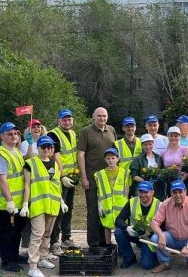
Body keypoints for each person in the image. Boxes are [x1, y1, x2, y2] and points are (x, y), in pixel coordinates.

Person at [20, 136, 66, 277]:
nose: (47, 149)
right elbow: (27, 185)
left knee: (47, 234)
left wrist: (61, 201)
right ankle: (33, 265)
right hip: (38, 205)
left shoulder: (55, 164)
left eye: (49, 147)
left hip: (52, 204)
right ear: (38, 148)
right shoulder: (30, 163)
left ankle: (43, 257)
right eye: (43, 147)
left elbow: (56, 184)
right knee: (37, 235)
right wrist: (25, 204)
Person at [78, 107, 118, 247]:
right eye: (99, 116)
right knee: (93, 211)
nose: (102, 118)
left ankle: (104, 241)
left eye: (104, 116)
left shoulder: (111, 130)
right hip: (92, 178)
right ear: (93, 117)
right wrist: (84, 177)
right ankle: (93, 243)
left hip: (108, 179)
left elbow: (115, 153)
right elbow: (81, 155)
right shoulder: (86, 132)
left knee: (106, 209)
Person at [0, 122, 27, 272]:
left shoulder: (16, 151)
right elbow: (2, 179)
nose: (14, 136)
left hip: (18, 201)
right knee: (7, 232)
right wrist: (9, 201)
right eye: (10, 134)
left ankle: (14, 255)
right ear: (2, 136)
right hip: (6, 203)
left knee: (17, 231)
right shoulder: (1, 155)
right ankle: (7, 261)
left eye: (16, 133)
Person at [150, 179, 188, 273]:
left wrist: (187, 246)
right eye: (174, 192)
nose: (178, 195)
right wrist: (161, 235)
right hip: (172, 237)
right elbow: (154, 223)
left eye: (180, 192)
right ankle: (165, 263)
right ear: (171, 193)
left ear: (185, 191)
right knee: (155, 238)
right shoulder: (165, 204)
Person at [48, 109, 78, 252]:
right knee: (59, 210)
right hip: (60, 178)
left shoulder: (72, 133)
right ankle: (54, 242)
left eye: (69, 119)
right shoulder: (53, 134)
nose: (67, 122)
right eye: (64, 120)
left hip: (71, 177)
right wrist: (62, 176)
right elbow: (55, 156)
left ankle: (66, 238)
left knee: (69, 208)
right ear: (59, 121)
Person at [114, 181, 160, 269]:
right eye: (140, 192)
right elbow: (118, 220)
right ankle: (129, 258)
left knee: (147, 265)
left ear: (152, 192)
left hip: (149, 238)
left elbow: (164, 228)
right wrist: (127, 227)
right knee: (119, 232)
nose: (143, 195)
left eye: (146, 192)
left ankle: (153, 255)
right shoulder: (132, 202)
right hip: (134, 234)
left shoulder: (159, 205)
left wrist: (151, 234)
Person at [94, 147, 131, 244]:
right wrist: (100, 205)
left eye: (113, 158)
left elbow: (127, 188)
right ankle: (108, 244)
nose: (110, 160)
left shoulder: (125, 172)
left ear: (117, 159)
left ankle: (121, 244)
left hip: (120, 204)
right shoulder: (99, 174)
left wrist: (127, 202)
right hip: (106, 205)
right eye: (108, 158)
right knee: (107, 225)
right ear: (105, 160)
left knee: (120, 226)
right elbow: (99, 191)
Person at [130, 134, 165, 200]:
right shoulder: (138, 159)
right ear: (142, 146)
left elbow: (162, 171)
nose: (148, 147)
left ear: (153, 144)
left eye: (150, 144)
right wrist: (146, 182)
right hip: (143, 189)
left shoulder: (158, 157)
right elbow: (134, 176)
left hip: (158, 189)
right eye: (145, 144)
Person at [162, 126, 188, 194]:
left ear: (179, 137)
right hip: (170, 182)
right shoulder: (163, 152)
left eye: (176, 136)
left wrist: (182, 180)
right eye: (171, 135)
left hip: (184, 181)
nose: (173, 138)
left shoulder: (185, 150)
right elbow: (163, 168)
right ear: (168, 136)